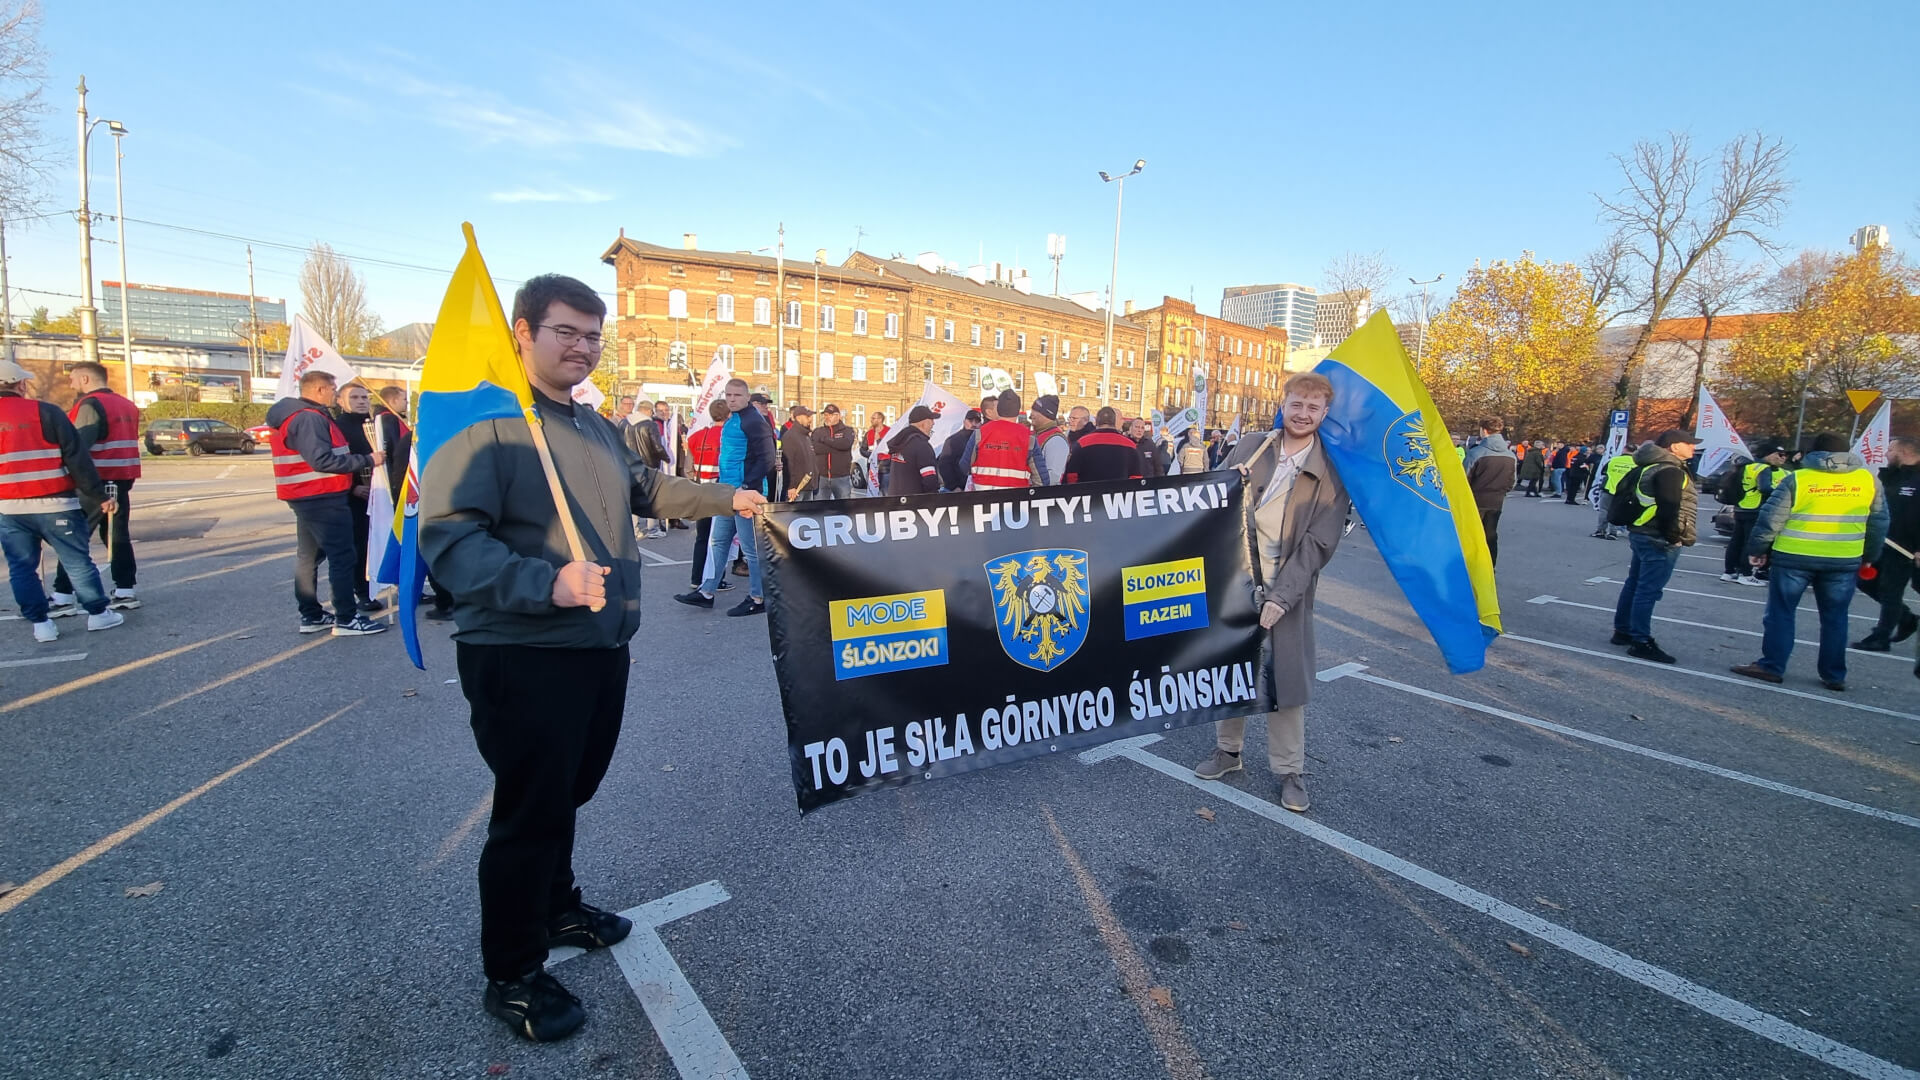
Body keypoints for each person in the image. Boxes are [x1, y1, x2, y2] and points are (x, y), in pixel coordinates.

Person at [418, 274, 763, 1044]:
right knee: (529, 812)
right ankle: (511, 973)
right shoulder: (492, 426)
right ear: (523, 334)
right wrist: (548, 583)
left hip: (599, 646)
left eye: (591, 335)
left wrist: (725, 499)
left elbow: (645, 488)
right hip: (524, 652)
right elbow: (449, 539)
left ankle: (557, 904)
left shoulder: (593, 424)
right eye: (565, 332)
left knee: (570, 790)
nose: (582, 347)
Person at [1194, 373, 1350, 813]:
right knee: (1231, 667)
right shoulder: (1253, 445)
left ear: (1324, 413)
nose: (1303, 414)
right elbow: (1209, 503)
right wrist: (1228, 482)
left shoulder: (1330, 469)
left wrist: (1282, 597)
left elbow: (1320, 541)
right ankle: (1228, 750)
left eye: (1313, 408)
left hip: (1287, 585)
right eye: (1296, 404)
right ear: (1284, 403)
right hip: (1236, 578)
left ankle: (1289, 769)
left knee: (1286, 677)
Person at [1728, 433, 1887, 691]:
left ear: (1813, 453)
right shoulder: (1868, 480)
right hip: (1843, 559)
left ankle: (1772, 666)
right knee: (1836, 617)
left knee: (1781, 613)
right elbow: (1879, 522)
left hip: (1794, 556)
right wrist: (1869, 556)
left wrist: (1758, 549)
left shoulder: (1798, 479)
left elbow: (1771, 519)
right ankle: (1834, 674)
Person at [0, 357, 124, 642]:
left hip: (8, 508)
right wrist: (99, 495)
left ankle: (40, 625)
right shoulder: (46, 412)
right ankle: (97, 614)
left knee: (21, 567)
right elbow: (76, 457)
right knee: (76, 560)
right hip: (56, 502)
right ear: (19, 385)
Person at [266, 370, 386, 636]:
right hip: (321, 495)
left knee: (308, 556)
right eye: (332, 389)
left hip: (306, 494)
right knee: (342, 556)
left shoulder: (297, 416)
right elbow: (322, 460)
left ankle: (311, 615)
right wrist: (368, 460)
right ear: (319, 390)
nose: (335, 393)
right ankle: (346, 618)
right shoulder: (308, 418)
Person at [675, 378, 775, 616]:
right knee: (719, 542)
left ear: (747, 397)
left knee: (751, 549)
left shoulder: (754, 421)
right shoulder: (735, 419)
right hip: (727, 492)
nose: (731, 399)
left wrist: (747, 486)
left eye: (737, 396)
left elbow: (767, 458)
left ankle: (758, 598)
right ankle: (706, 591)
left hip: (745, 493)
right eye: (728, 395)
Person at [48, 360, 141, 612]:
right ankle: (125, 589)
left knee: (74, 537)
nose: (71, 383)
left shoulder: (89, 405)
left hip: (94, 482)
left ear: (86, 379)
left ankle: (63, 594)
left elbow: (77, 446)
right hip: (121, 479)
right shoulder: (127, 405)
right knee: (116, 535)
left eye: (73, 378)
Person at [1609, 430, 1698, 664]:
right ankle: (1640, 640)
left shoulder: (1650, 465)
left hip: (1642, 532)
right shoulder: (1669, 469)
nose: (1693, 448)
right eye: (1689, 443)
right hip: (1658, 537)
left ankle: (1624, 630)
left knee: (1635, 584)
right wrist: (1674, 536)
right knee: (1648, 590)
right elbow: (1669, 506)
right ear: (1673, 446)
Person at [1853, 436, 1920, 652]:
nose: (1886, 453)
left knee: (1891, 590)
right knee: (1864, 581)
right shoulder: (1891, 476)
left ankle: (1880, 637)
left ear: (1905, 452)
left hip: (1907, 548)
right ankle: (1906, 618)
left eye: (1890, 449)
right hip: (1884, 541)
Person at [330, 383, 384, 615]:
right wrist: (353, 487)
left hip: (380, 491)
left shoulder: (374, 425)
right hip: (355, 495)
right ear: (341, 401)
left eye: (365, 397)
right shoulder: (338, 427)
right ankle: (361, 592)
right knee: (360, 545)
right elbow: (334, 461)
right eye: (355, 397)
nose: (362, 401)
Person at [1722, 443, 1789, 585]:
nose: (1782, 458)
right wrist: (1779, 492)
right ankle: (1745, 574)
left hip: (1741, 506)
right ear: (1768, 454)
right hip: (1756, 508)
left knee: (1736, 541)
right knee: (1749, 542)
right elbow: (1764, 488)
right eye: (1779, 454)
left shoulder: (1746, 465)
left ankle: (1730, 571)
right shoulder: (1764, 468)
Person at [685, 399, 732, 592]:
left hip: (701, 491)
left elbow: (688, 468)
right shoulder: (730, 435)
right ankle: (716, 579)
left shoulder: (697, 436)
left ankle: (696, 578)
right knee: (719, 540)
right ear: (729, 415)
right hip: (720, 492)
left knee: (702, 537)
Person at [964, 390, 1049, 488]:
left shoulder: (980, 433)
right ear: (1017, 411)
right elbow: (1041, 480)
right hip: (1016, 500)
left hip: (983, 499)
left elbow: (964, 466)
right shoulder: (1029, 437)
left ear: (999, 409)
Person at [1463, 417, 1515, 566]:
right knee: (1491, 533)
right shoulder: (1510, 455)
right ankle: (1490, 566)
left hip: (1475, 498)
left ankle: (1471, 566)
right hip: (1496, 500)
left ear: (1484, 430)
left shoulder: (1477, 453)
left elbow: (1465, 477)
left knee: (1471, 534)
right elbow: (1512, 481)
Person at [1062, 406, 1146, 483]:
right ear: (1114, 421)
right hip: (1119, 496)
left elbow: (1071, 476)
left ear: (1097, 422)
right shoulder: (1130, 445)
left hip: (1089, 495)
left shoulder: (1082, 443)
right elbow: (1136, 478)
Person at [625, 400, 668, 539]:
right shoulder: (650, 425)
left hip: (628, 465)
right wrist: (666, 457)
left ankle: (633, 528)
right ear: (649, 411)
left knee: (633, 496)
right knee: (650, 496)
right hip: (648, 464)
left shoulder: (624, 423)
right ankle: (652, 528)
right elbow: (656, 446)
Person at [885, 406, 941, 495]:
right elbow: (930, 480)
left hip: (895, 500)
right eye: (931, 420)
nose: (933, 423)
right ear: (924, 423)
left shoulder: (900, 442)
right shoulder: (922, 446)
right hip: (915, 503)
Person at [810, 403, 857, 500]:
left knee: (843, 507)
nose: (827, 417)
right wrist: (836, 447)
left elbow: (845, 444)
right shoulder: (818, 431)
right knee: (820, 507)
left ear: (838, 416)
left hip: (841, 477)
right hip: (822, 477)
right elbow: (815, 448)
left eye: (830, 415)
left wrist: (825, 440)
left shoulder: (847, 431)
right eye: (826, 415)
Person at [1592, 446, 1635, 540]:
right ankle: (1613, 533)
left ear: (1624, 449)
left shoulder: (1613, 460)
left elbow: (1604, 472)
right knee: (1615, 512)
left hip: (1609, 488)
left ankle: (1601, 531)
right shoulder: (1635, 463)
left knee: (1604, 510)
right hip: (1623, 491)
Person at [936, 409, 982, 491]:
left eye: (977, 421)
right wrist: (954, 486)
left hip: (978, 487)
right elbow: (944, 465)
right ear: (964, 422)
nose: (974, 424)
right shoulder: (953, 440)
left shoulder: (982, 439)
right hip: (959, 488)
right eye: (971, 420)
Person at [1029, 395, 1070, 485]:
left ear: (1046, 414)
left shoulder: (1056, 440)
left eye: (1035, 411)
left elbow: (1053, 477)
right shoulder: (1036, 434)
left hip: (1041, 495)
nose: (1031, 414)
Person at [780, 404, 817, 500]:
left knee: (807, 514)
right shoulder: (790, 436)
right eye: (808, 416)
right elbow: (789, 463)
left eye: (811, 416)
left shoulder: (806, 436)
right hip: (796, 489)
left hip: (808, 486)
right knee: (794, 514)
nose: (810, 419)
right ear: (799, 418)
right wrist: (791, 486)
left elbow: (811, 460)